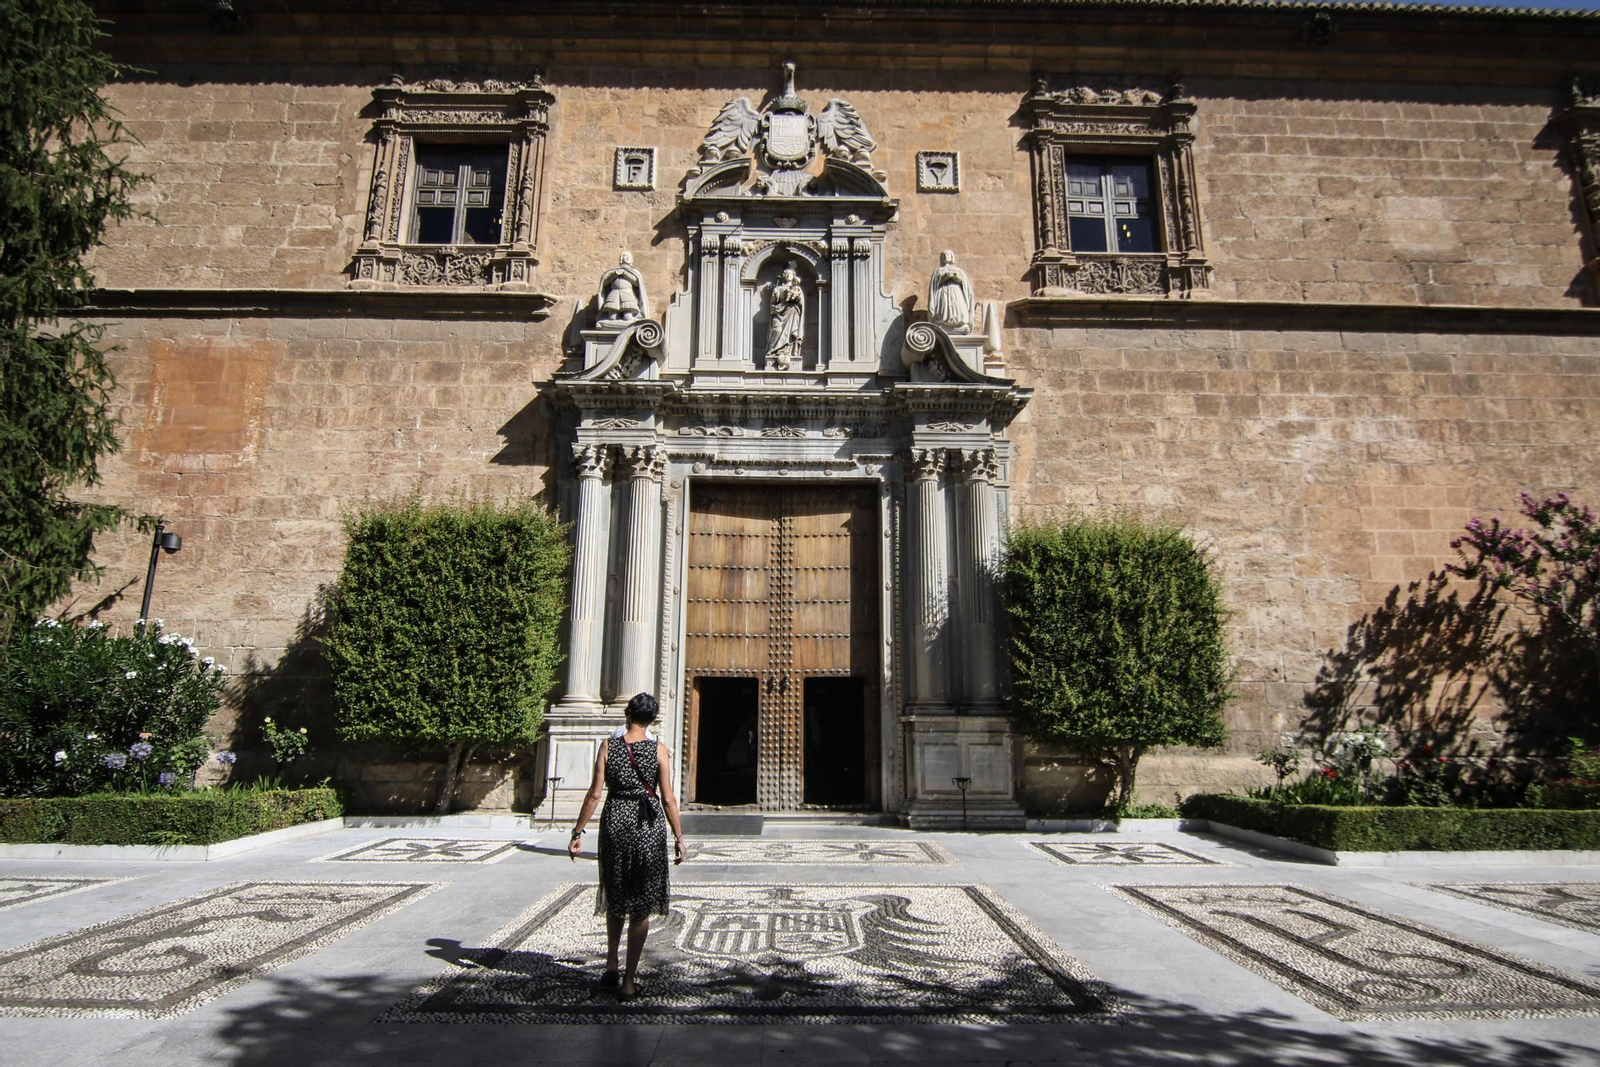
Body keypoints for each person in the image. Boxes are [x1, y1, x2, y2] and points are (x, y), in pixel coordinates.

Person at [567, 692, 686, 1001]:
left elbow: (594, 794)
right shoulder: (658, 750)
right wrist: (679, 836)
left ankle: (611, 965)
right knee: (641, 903)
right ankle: (629, 981)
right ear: (653, 719)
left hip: (615, 821)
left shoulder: (609, 746)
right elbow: (669, 798)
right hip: (647, 824)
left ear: (627, 714)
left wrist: (577, 832)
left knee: (616, 890)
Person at [764, 263, 804, 370]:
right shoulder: (777, 289)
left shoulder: (797, 289)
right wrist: (776, 299)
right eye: (785, 273)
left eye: (789, 273)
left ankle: (788, 353)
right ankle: (772, 351)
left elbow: (801, 304)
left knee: (791, 334)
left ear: (793, 275)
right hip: (779, 313)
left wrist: (797, 297)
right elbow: (772, 305)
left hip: (791, 312)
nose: (786, 275)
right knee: (776, 330)